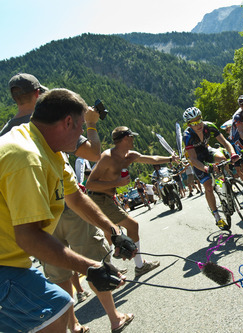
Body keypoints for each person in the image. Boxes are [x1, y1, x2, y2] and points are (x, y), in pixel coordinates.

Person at [1, 75, 135, 333]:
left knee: (59, 306)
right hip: (4, 265)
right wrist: (90, 267)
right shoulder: (26, 157)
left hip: (11, 260)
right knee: (54, 314)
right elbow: (29, 237)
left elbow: (75, 197)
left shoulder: (48, 147)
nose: (83, 134)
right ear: (68, 122)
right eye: (82, 127)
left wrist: (113, 232)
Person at [85, 126, 177, 277]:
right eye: (132, 137)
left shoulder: (131, 155)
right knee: (132, 225)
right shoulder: (107, 157)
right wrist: (117, 183)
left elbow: (151, 159)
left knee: (111, 233)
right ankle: (139, 266)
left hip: (107, 198)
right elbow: (90, 184)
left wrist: (170, 159)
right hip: (98, 198)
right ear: (126, 138)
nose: (134, 139)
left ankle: (110, 267)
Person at [182, 107, 239, 230]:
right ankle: (217, 216)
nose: (198, 124)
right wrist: (206, 169)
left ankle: (224, 183)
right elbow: (193, 159)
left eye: (199, 120)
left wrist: (233, 153)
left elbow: (225, 143)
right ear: (189, 124)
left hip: (207, 151)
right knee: (208, 187)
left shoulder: (209, 126)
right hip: (197, 159)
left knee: (223, 159)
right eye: (194, 122)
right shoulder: (187, 136)